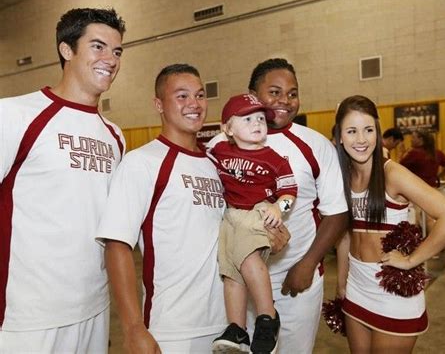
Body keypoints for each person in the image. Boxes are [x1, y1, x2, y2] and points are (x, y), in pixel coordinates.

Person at [97, 65, 290, 354]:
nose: (194, 104)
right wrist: (133, 327)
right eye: (182, 96)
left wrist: (271, 237)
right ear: (158, 104)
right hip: (172, 329)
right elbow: (116, 246)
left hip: (229, 326)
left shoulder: (219, 164)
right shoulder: (142, 163)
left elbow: (239, 225)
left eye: (200, 95)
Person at [0, 8, 126, 352]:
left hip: (94, 309)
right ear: (66, 50)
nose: (110, 59)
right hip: (28, 317)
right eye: (98, 47)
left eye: (117, 51)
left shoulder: (115, 135)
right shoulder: (14, 115)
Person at [208, 58, 348, 353]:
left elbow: (336, 212)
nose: (285, 100)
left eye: (292, 93)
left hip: (293, 279)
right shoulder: (222, 143)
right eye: (274, 92)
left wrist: (308, 264)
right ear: (252, 95)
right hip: (240, 280)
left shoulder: (315, 144)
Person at [333, 95, 445, 353]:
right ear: (339, 136)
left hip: (391, 293)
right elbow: (346, 235)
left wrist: (410, 260)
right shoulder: (342, 177)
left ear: (377, 132)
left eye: (368, 130)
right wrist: (341, 282)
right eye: (352, 131)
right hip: (356, 287)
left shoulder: (392, 174)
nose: (361, 139)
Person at [208, 93, 297, 353]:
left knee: (248, 260)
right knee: (231, 271)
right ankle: (237, 329)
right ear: (227, 128)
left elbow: (290, 193)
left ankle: (268, 317)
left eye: (260, 118)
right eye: (246, 119)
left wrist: (279, 209)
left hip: (257, 215)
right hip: (231, 217)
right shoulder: (218, 151)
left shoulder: (276, 159)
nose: (257, 123)